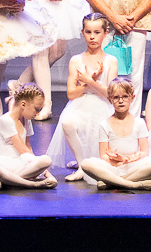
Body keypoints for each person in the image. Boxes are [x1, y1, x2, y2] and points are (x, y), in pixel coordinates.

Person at [48, 13, 120, 178]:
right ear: (83, 32)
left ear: (105, 33)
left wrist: (89, 81)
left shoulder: (111, 61)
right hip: (80, 105)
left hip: (103, 106)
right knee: (67, 122)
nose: (92, 37)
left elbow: (111, 95)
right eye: (88, 32)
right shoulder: (76, 60)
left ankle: (92, 161)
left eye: (97, 32)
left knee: (100, 129)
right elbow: (71, 94)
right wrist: (88, 83)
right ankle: (82, 166)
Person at [79, 79, 151, 191]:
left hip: (133, 165)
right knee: (86, 164)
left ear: (132, 98)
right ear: (110, 99)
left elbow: (144, 152)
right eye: (116, 97)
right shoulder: (104, 124)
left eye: (125, 96)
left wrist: (128, 159)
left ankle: (112, 183)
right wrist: (118, 161)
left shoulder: (139, 122)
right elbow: (103, 155)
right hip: (112, 167)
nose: (120, 101)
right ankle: (132, 184)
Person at [0, 82, 56, 190]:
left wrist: (47, 173)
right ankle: (32, 184)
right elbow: (22, 149)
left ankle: (8, 181)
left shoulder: (26, 120)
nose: (37, 113)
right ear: (23, 105)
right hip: (5, 164)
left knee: (46, 160)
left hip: (20, 164)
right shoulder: (6, 120)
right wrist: (46, 174)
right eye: (36, 109)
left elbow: (28, 148)